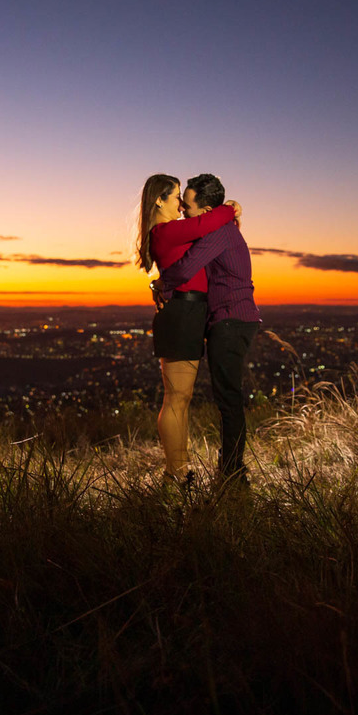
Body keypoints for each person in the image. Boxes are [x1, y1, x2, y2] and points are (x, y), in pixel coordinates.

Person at [152, 173, 261, 485]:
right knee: (226, 397)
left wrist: (160, 284)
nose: (185, 212)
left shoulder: (218, 233)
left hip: (230, 320)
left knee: (228, 398)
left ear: (206, 210)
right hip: (228, 319)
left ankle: (232, 472)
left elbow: (186, 267)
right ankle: (231, 469)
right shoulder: (222, 228)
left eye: (188, 206)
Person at [134, 174, 240, 482]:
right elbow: (206, 224)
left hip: (189, 312)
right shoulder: (165, 231)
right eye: (176, 196)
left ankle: (178, 474)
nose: (181, 203)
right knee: (177, 399)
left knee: (182, 398)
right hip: (182, 313)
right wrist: (231, 207)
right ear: (159, 200)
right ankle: (176, 476)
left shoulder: (171, 232)